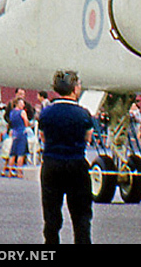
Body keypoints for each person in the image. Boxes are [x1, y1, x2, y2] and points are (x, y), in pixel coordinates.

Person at [38, 70, 94, 245]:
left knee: (52, 214)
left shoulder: (46, 113)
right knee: (81, 216)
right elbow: (88, 137)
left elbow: (43, 137)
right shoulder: (83, 114)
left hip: (52, 163)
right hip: (76, 163)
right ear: (74, 89)